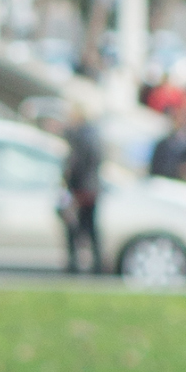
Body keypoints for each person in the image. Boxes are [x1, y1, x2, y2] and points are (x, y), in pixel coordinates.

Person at [61, 108, 104, 274]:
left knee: (78, 226)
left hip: (82, 189)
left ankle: (77, 263)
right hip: (89, 188)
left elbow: (77, 163)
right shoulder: (92, 135)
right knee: (89, 227)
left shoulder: (81, 136)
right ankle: (95, 262)